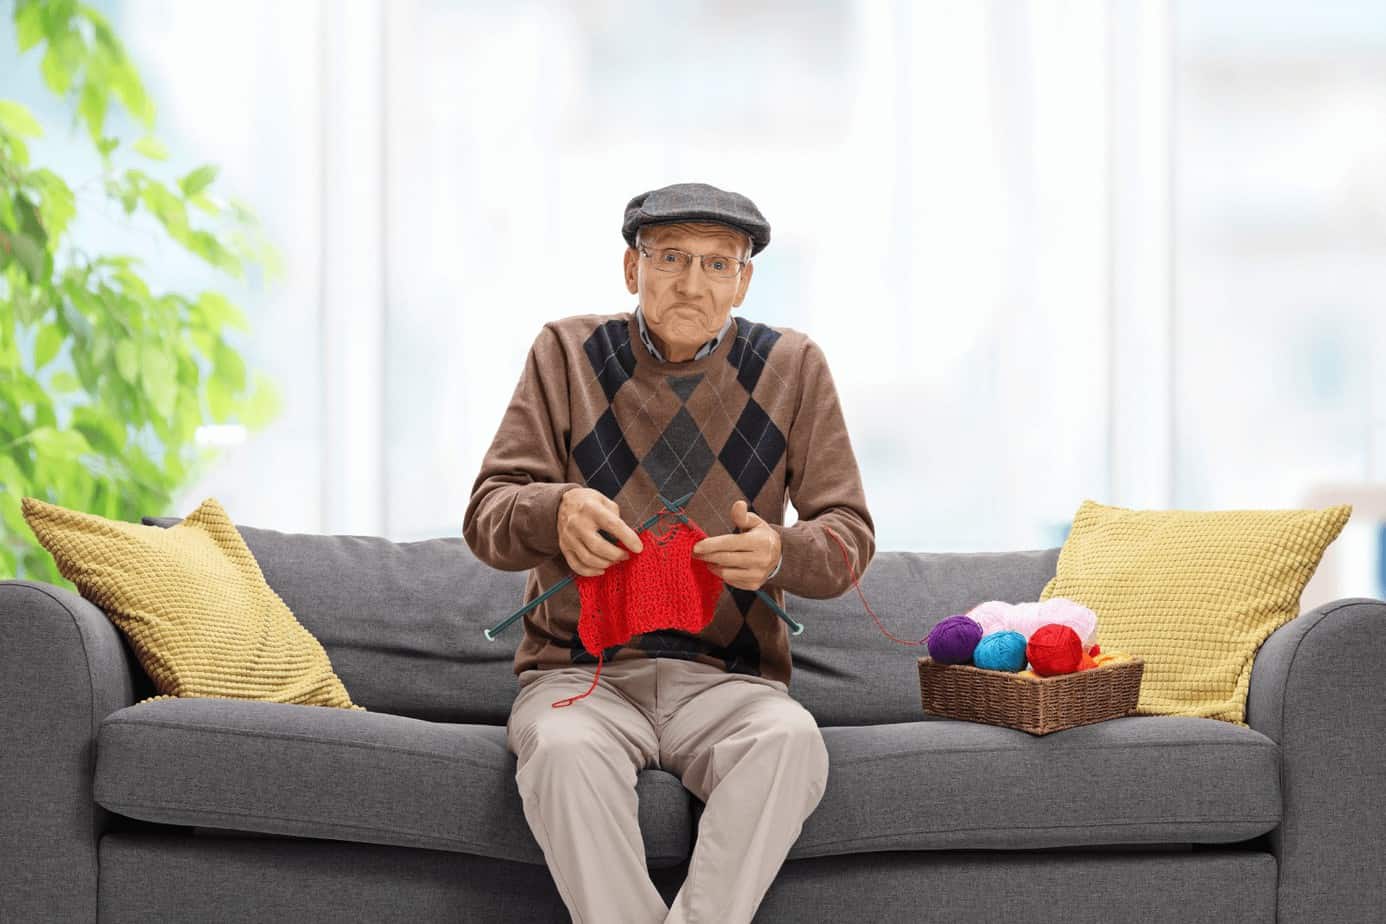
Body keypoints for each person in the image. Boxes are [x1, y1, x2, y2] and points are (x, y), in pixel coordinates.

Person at [463, 181, 875, 923]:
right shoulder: (566, 352)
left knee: (790, 742)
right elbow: (486, 516)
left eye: (719, 265)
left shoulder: (794, 366)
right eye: (672, 258)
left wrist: (779, 553)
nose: (692, 282)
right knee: (560, 753)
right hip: (579, 675)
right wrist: (554, 512)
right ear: (632, 269)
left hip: (730, 682)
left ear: (745, 280)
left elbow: (849, 536)